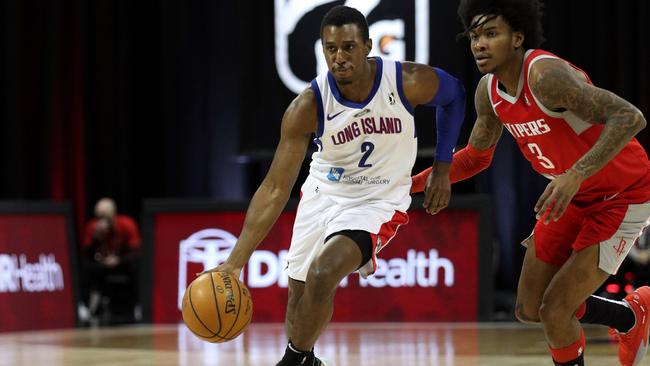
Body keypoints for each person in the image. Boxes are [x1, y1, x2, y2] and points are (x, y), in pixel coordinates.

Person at [203, 5, 466, 365]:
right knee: (299, 296)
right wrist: (235, 262)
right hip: (323, 193)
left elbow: (455, 96)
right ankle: (307, 359)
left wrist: (442, 166)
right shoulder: (308, 105)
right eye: (331, 49)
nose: (339, 57)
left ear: (368, 45)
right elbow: (275, 188)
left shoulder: (406, 80)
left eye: (348, 47)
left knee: (323, 273)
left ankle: (292, 361)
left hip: (378, 199)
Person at [411, 1, 650, 365]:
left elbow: (629, 117)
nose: (479, 44)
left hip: (622, 193)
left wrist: (576, 173)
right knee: (529, 307)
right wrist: (405, 184)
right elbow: (476, 157)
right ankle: (630, 316)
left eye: (491, 34)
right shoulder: (488, 92)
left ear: (517, 38)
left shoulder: (545, 76)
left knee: (555, 310)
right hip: (571, 196)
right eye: (475, 36)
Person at [81, 197, 141, 324]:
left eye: (105, 217)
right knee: (86, 267)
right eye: (99, 217)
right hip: (102, 265)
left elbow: (135, 251)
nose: (102, 221)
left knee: (137, 266)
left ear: (113, 215)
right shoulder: (92, 227)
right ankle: (85, 306)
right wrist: (95, 238)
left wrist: (118, 260)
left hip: (122, 263)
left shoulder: (126, 224)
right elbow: (87, 253)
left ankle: (138, 305)